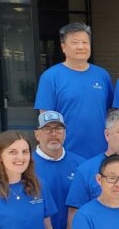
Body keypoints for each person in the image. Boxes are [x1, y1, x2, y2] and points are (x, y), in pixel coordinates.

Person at [34, 22, 112, 160]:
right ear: (63, 47)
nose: (81, 47)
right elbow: (46, 119)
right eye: (75, 42)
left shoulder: (102, 75)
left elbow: (110, 111)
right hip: (65, 154)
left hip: (101, 152)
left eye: (85, 42)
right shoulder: (50, 77)